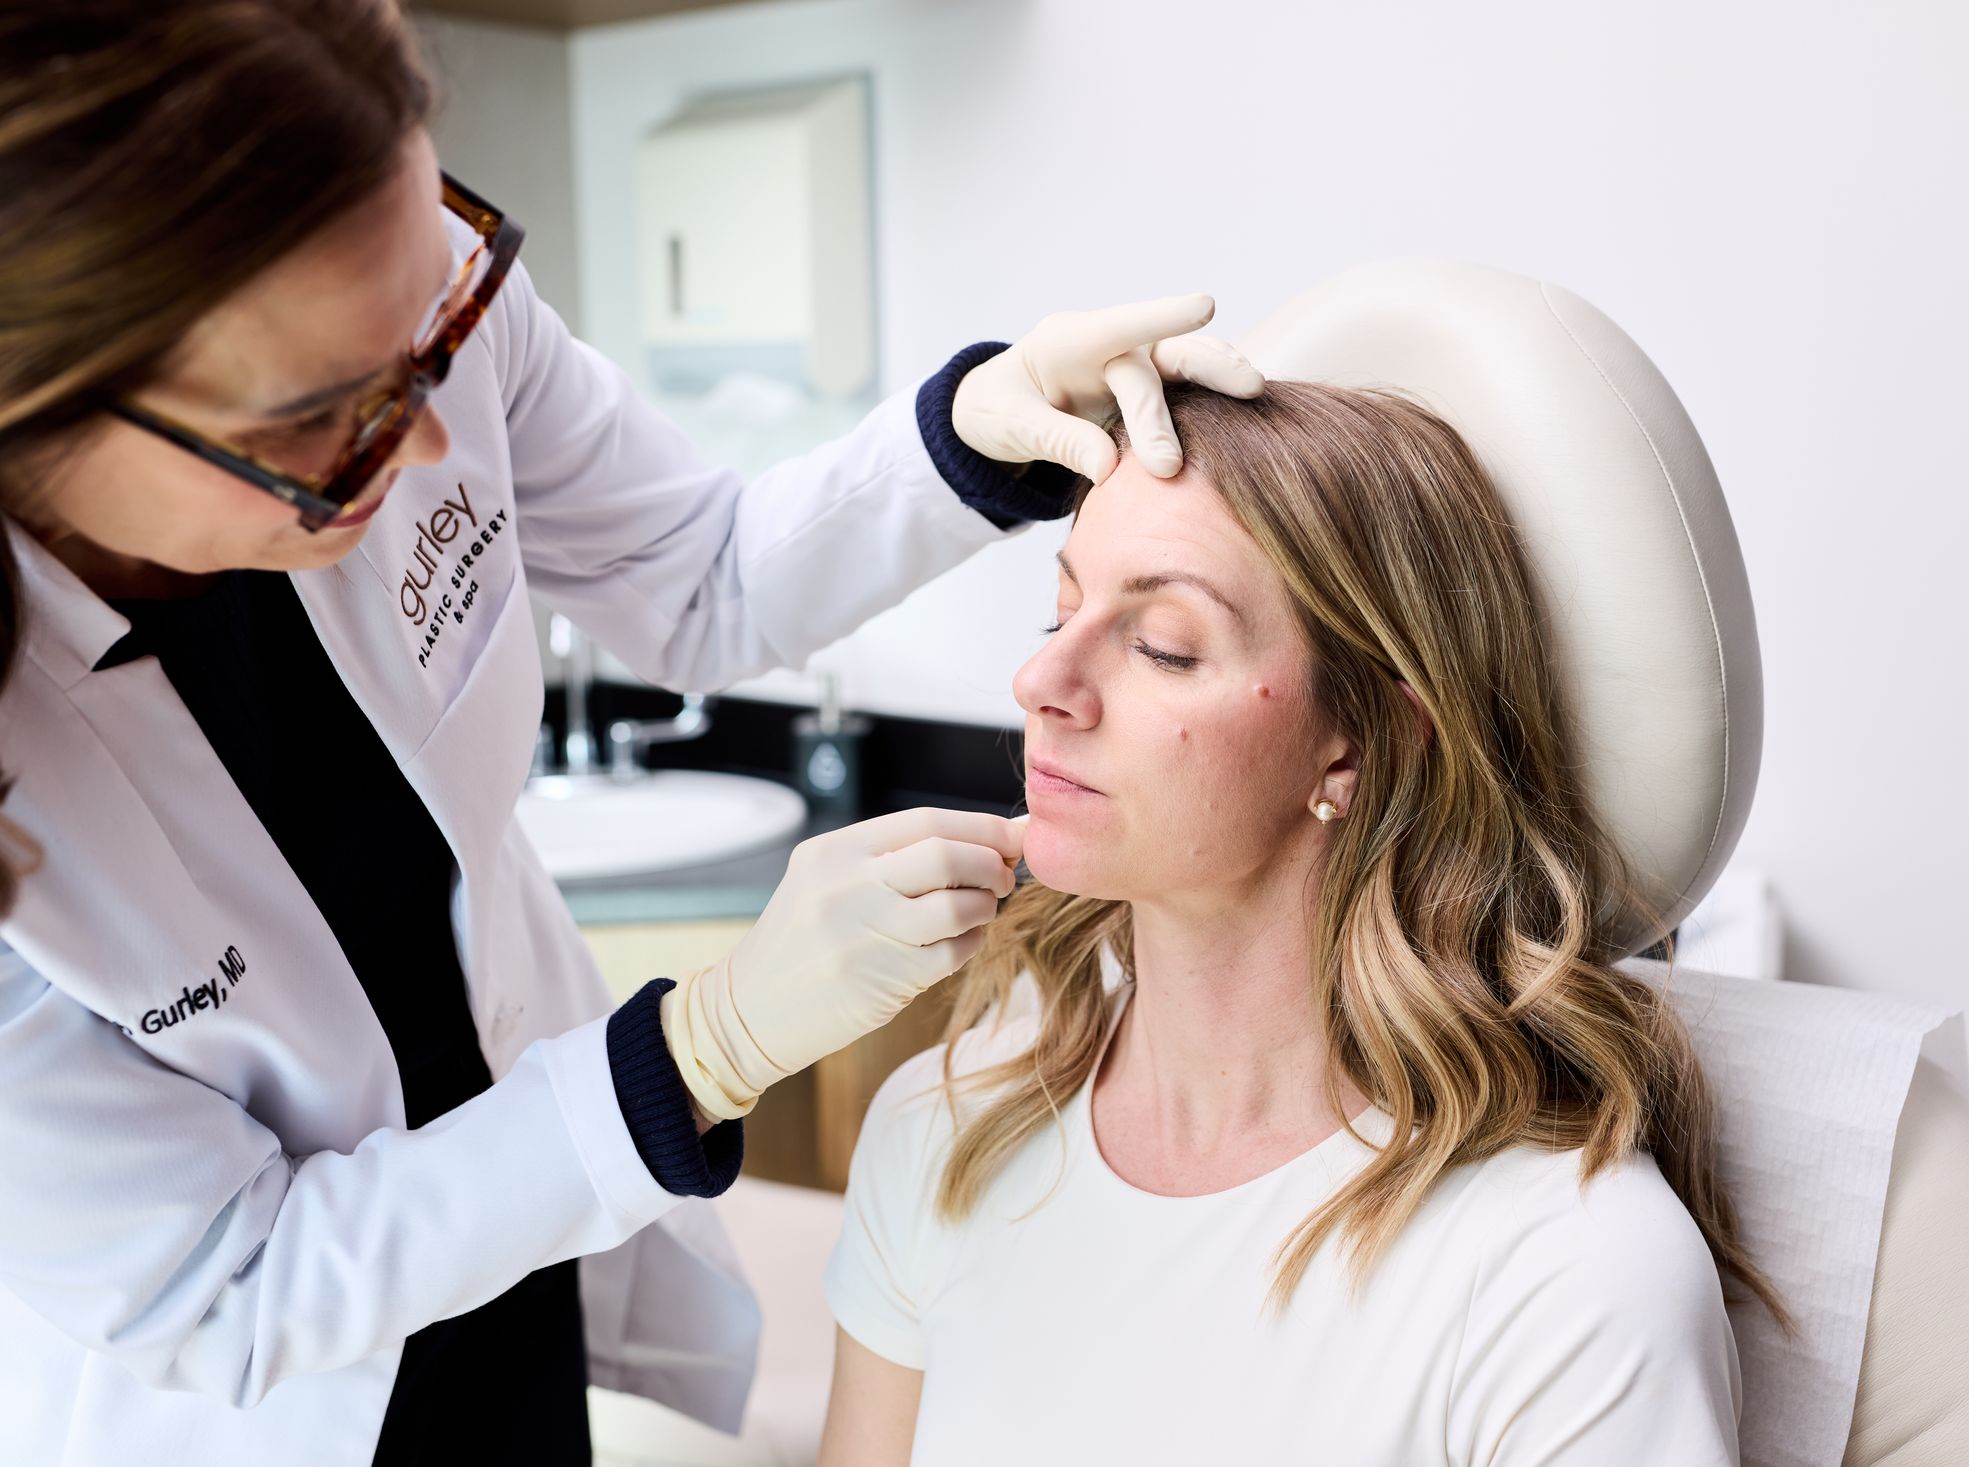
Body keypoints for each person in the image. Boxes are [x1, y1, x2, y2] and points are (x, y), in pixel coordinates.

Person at [0, 3, 1263, 1463]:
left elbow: (701, 575)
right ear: (43, 412)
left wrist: (963, 440)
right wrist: (702, 1050)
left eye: (428, 330)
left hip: (530, 1288)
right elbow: (228, 1281)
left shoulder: (414, 318)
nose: (429, 442)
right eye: (323, 418)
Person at [819, 382, 1790, 1466]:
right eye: (1061, 610)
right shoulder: (944, 1133)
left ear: (1361, 746)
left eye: (1163, 646)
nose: (1040, 678)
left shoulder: (1566, 1279)